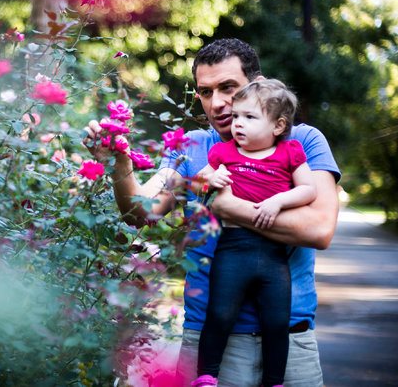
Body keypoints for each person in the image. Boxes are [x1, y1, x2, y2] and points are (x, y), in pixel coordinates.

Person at [84, 38, 340, 386]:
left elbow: (319, 229)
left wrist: (227, 207)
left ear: (257, 85)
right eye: (206, 92)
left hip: (290, 340)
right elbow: (140, 213)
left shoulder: (303, 141)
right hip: (208, 342)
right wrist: (120, 163)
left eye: (228, 88)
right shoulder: (190, 146)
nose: (217, 103)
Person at [192, 79, 317, 387]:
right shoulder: (224, 152)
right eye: (236, 117)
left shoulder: (291, 152)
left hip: (274, 255)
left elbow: (308, 189)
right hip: (232, 249)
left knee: (276, 322)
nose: (238, 124)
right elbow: (199, 181)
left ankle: (275, 380)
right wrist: (211, 176)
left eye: (249, 118)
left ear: (278, 126)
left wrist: (277, 201)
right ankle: (207, 375)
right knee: (219, 315)